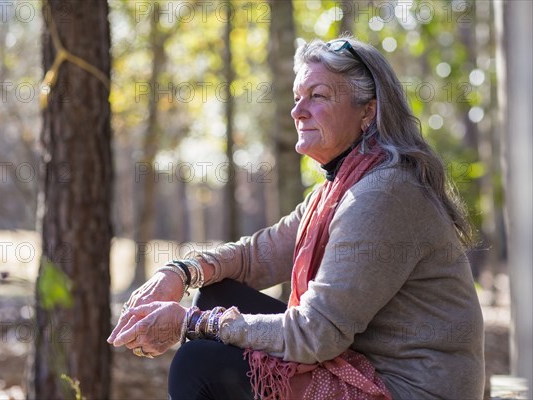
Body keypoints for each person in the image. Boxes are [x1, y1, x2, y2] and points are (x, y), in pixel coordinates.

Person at [108, 36, 485, 400]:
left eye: (317, 96)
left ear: (368, 111)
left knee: (200, 362)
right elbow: (256, 256)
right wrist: (180, 273)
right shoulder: (342, 187)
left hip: (406, 390)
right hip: (363, 366)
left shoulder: (382, 194)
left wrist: (190, 323)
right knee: (217, 292)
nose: (297, 111)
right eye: (297, 97)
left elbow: (314, 335)